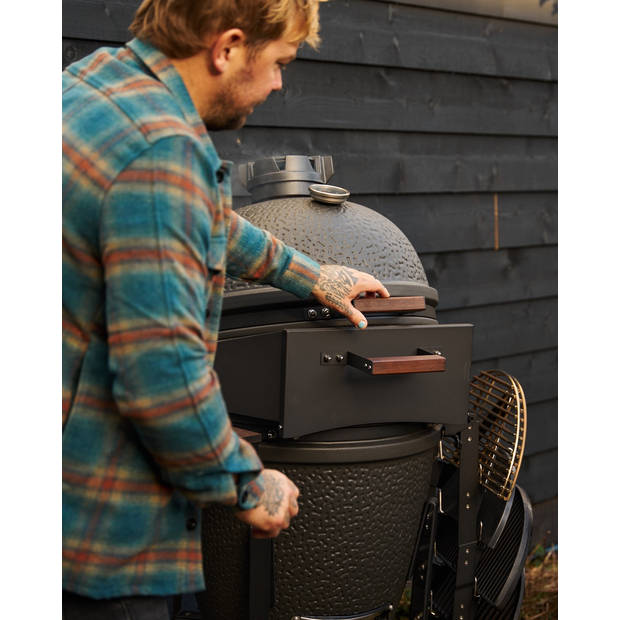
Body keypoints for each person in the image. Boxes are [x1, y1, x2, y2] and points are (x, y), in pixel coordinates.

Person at [62, 0, 389, 617]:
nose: (277, 83)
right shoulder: (163, 154)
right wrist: (247, 483)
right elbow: (163, 380)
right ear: (229, 47)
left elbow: (200, 219)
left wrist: (314, 276)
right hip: (105, 542)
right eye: (278, 63)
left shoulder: (96, 87)